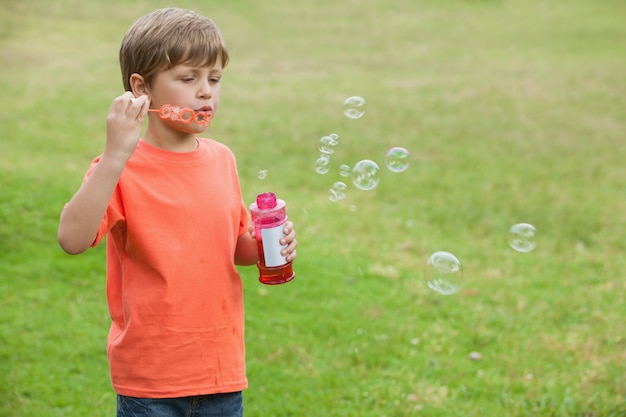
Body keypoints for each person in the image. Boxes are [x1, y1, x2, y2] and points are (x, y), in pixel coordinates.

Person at [57, 8, 297, 417]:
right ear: (141, 88)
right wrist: (115, 154)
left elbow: (232, 246)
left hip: (220, 369)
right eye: (189, 78)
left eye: (215, 79)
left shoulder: (222, 159)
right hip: (150, 378)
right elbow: (72, 240)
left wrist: (263, 245)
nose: (206, 92)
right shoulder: (120, 168)